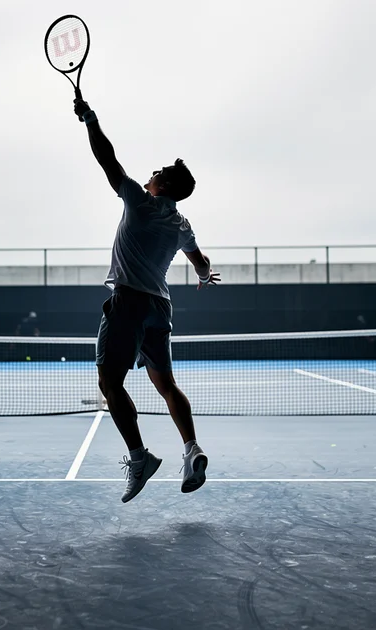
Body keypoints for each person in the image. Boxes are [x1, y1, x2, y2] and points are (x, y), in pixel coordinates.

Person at [73, 94, 221, 503]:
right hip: (160, 308)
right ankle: (192, 450)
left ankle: (140, 458)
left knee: (109, 381)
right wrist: (205, 275)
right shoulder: (180, 223)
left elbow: (107, 158)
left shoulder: (139, 201)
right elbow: (200, 259)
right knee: (166, 384)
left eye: (155, 172)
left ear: (163, 186)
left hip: (130, 304)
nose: (149, 174)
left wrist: (89, 118)